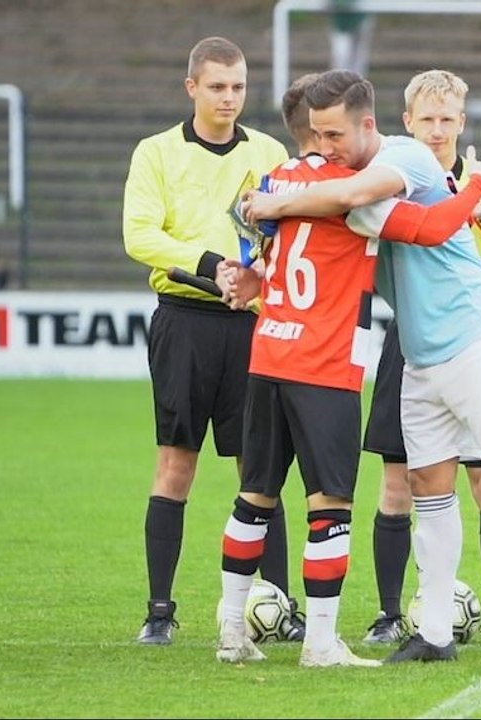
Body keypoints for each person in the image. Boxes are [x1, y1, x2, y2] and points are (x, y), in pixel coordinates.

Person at [243, 69, 481, 671]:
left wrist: (271, 201)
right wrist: (248, 268)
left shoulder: (405, 159)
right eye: (318, 136)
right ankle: (433, 631)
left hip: (476, 335)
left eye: (336, 136)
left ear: (369, 127)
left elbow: (362, 203)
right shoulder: (340, 179)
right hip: (421, 352)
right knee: (427, 486)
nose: (327, 148)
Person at [211, 74, 481, 667]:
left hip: (267, 353)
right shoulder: (354, 192)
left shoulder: (276, 181)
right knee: (329, 506)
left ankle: (232, 633)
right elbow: (432, 227)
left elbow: (264, 254)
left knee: (254, 496)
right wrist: (476, 187)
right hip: (325, 363)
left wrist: (251, 278)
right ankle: (320, 642)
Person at [121, 36, 299, 646]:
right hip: (185, 322)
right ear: (191, 86)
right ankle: (160, 612)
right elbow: (140, 236)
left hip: (253, 326)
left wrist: (255, 277)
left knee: (261, 469)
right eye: (217, 86)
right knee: (177, 463)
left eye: (239, 86)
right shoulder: (156, 153)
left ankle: (278, 606)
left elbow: (288, 232)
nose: (229, 97)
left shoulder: (270, 151)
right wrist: (210, 264)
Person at [360, 69, 481, 648]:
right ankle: (391, 613)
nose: (437, 130)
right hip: (411, 339)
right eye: (427, 120)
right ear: (406, 122)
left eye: (448, 120)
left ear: (461, 124)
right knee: (399, 485)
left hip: (473, 344)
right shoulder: (390, 175)